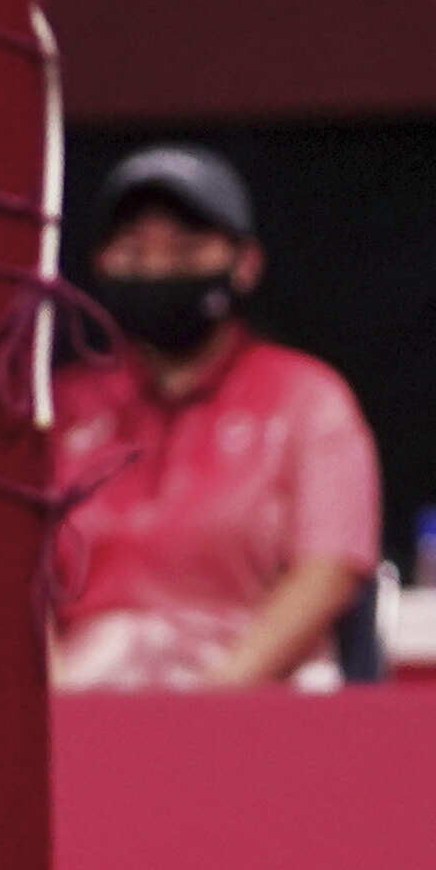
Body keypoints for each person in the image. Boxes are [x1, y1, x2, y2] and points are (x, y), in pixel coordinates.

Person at [50, 145, 383, 690]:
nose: (156, 269)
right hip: (84, 696)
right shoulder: (61, 407)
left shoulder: (308, 398)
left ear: (245, 263)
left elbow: (331, 569)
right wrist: (52, 705)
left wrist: (217, 698)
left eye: (184, 250)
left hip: (259, 700)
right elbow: (7, 579)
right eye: (133, 251)